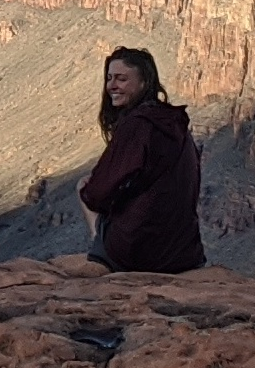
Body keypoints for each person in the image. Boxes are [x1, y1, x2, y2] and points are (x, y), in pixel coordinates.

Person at [77, 46, 206, 273]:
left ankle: (102, 250)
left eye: (122, 79)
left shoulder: (139, 125)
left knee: (83, 185)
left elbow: (96, 194)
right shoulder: (174, 122)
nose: (112, 86)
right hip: (184, 252)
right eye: (109, 78)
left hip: (141, 253)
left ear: (144, 83)